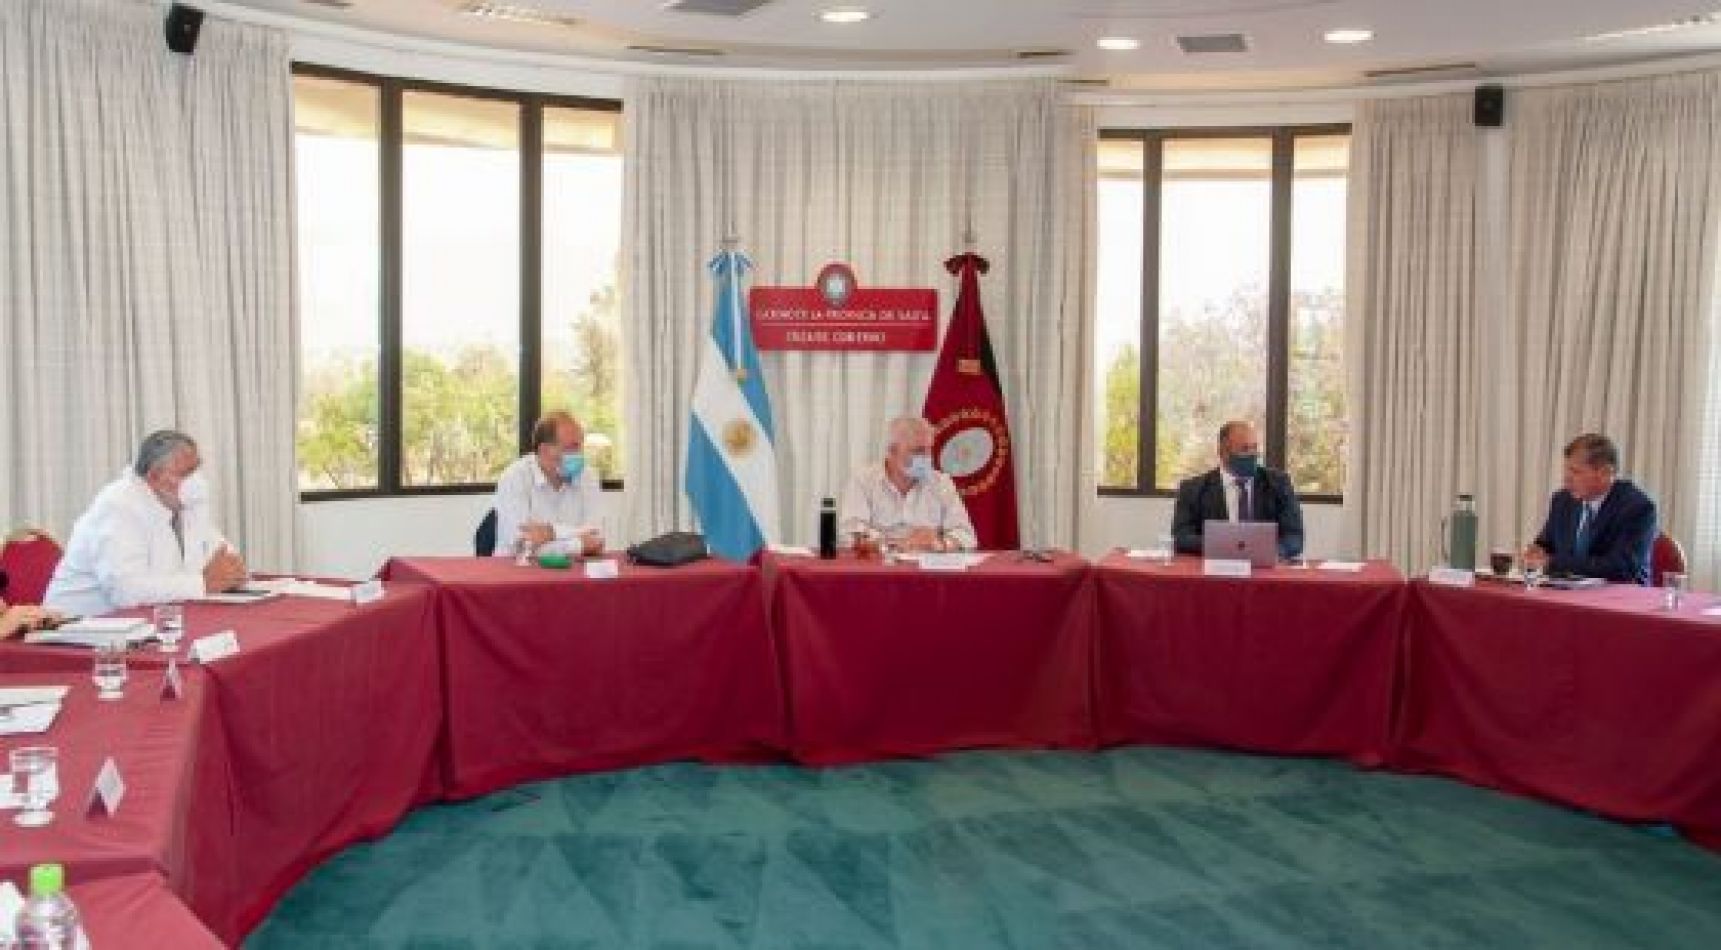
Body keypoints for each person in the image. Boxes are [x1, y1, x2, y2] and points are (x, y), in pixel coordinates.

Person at [44, 430, 247, 616]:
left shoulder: (185, 503)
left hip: (143, 624)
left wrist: (231, 571)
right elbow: (125, 591)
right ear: (154, 476)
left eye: (196, 470)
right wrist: (202, 583)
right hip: (75, 629)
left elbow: (223, 557)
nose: (196, 481)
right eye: (185, 473)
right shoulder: (118, 506)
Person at [1522, 433, 1656, 585]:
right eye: (1566, 471)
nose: (1566, 479)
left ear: (1605, 473)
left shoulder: (1637, 507)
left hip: (1619, 594)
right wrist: (1534, 553)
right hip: (1566, 591)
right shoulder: (1562, 501)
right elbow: (1545, 545)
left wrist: (1553, 563)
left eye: (1575, 472)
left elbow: (1622, 568)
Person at [838, 416, 977, 552]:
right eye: (918, 451)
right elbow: (849, 533)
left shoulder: (941, 482)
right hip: (880, 563)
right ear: (892, 451)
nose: (926, 457)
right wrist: (896, 544)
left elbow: (967, 536)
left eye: (929, 450)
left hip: (927, 564)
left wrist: (938, 543)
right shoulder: (863, 481)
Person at [1171, 420, 1305, 559]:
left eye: (1255, 448)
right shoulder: (1192, 489)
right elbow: (1181, 537)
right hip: (1215, 567)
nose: (1253, 455)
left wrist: (1273, 552)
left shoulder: (1278, 484)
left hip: (1264, 567)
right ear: (1223, 453)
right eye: (1245, 449)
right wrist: (1227, 547)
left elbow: (1295, 537)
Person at [492, 412, 605, 558]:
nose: (579, 455)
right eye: (572, 447)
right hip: (518, 569)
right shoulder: (515, 477)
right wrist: (579, 545)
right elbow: (521, 546)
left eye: (580, 447)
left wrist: (550, 533)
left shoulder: (587, 476)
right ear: (544, 450)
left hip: (574, 568)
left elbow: (596, 537)